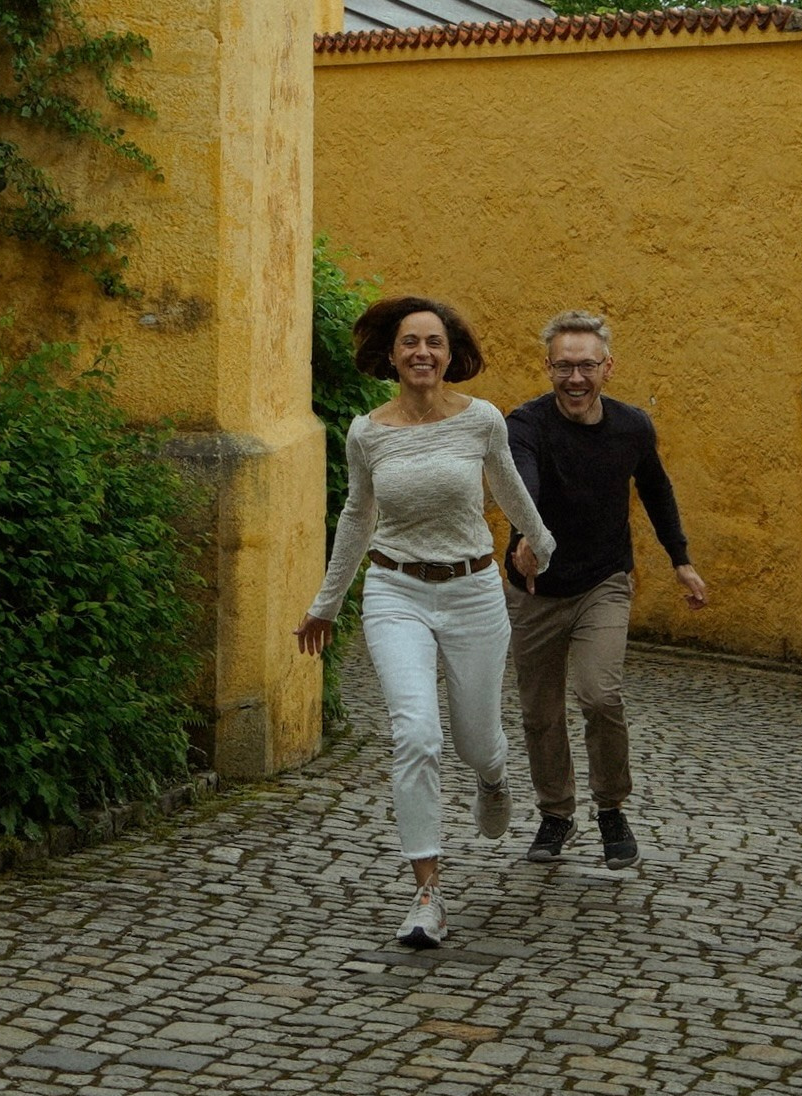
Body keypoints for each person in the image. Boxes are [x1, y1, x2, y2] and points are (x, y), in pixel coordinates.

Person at [297, 295, 556, 949]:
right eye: (410, 342)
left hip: (471, 592)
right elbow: (357, 518)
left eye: (433, 343)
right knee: (415, 734)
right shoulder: (367, 432)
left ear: (449, 353)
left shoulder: (481, 422)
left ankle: (493, 777)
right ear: (390, 354)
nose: (421, 353)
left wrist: (540, 547)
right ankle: (426, 894)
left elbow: (509, 491)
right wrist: (325, 604)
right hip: (396, 593)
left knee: (475, 742)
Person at [504, 311, 708, 870]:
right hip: (534, 587)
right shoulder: (524, 424)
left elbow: (657, 491)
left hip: (604, 582)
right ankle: (556, 814)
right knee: (539, 712)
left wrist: (681, 561)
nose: (575, 378)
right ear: (547, 368)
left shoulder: (632, 427)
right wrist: (526, 534)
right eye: (564, 366)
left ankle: (611, 808)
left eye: (586, 366)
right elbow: (523, 478)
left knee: (600, 695)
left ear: (607, 369)